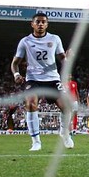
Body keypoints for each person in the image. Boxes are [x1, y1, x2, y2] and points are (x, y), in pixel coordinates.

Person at [10, 12, 74, 151]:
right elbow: (15, 62)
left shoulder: (55, 39)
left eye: (43, 22)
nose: (40, 24)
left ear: (47, 24)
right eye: (37, 22)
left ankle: (64, 133)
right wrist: (16, 74)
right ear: (32, 24)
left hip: (52, 79)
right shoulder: (25, 41)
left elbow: (62, 58)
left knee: (67, 107)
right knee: (31, 104)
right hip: (33, 79)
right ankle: (36, 142)